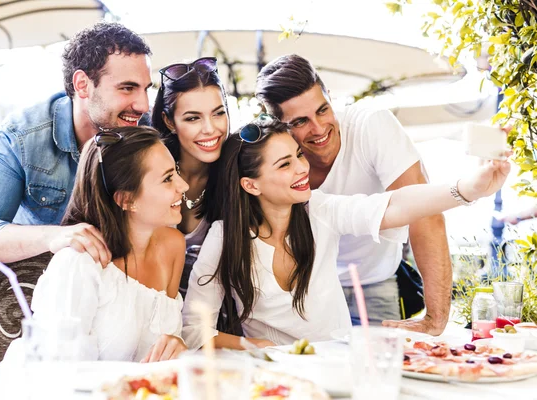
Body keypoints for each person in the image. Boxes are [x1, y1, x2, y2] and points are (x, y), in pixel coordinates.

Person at [182, 117, 510, 349]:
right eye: (284, 165)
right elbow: (195, 329)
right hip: (274, 380)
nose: (301, 168)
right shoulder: (226, 238)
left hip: (339, 367)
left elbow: (394, 205)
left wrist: (468, 188)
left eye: (298, 155)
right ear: (250, 184)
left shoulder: (319, 210)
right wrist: (255, 345)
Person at [254, 54, 451, 335]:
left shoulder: (371, 125)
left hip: (374, 283)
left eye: (323, 110)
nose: (319, 129)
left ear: (330, 97)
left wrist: (436, 317)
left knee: (382, 370)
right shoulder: (272, 157)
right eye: (300, 122)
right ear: (277, 125)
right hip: (305, 294)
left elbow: (425, 214)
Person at [0, 21, 153, 267]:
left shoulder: (147, 132)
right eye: (127, 88)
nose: (143, 105)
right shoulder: (25, 135)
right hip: (6, 278)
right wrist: (56, 236)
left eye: (146, 89)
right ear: (82, 84)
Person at [3, 126, 189, 362]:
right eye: (168, 178)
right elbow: (57, 372)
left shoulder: (173, 246)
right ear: (127, 200)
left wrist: (178, 347)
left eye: (176, 172)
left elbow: (166, 351)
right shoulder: (78, 262)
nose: (183, 186)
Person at [151, 57, 229, 294]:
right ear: (169, 121)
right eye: (193, 118)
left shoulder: (238, 173)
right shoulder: (146, 172)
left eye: (218, 113)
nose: (210, 129)